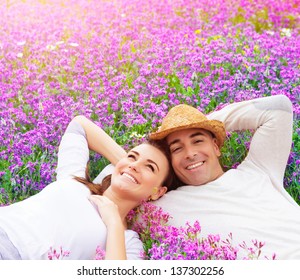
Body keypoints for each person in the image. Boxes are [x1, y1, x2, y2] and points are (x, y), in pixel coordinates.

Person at [95, 94, 300, 259]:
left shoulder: (259, 169)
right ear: (171, 163)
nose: (190, 153)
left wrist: (198, 122)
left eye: (198, 141)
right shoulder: (159, 204)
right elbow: (111, 179)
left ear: (216, 146)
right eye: (177, 149)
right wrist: (146, 159)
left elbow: (278, 107)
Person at [0, 116, 176, 260]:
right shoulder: (75, 179)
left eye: (150, 167)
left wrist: (114, 222)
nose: (135, 165)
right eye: (132, 156)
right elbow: (79, 125)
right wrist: (127, 166)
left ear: (158, 192)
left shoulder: (128, 241)